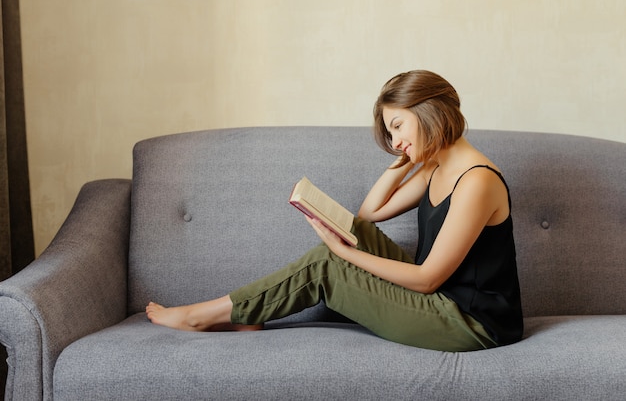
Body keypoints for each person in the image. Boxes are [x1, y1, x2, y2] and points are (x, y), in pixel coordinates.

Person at [146, 70, 523, 352]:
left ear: (429, 111)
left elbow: (427, 280)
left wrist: (344, 255)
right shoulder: (435, 167)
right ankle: (246, 316)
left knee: (326, 263)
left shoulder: (477, 181)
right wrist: (404, 160)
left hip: (471, 324)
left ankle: (202, 316)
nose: (395, 142)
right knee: (356, 229)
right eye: (390, 134)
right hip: (440, 302)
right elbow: (370, 213)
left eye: (398, 126)